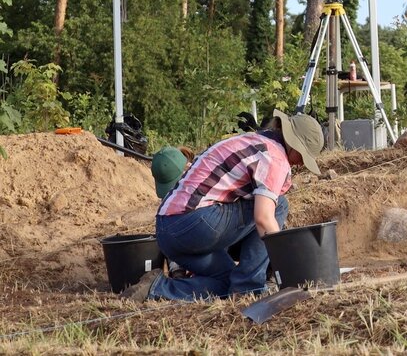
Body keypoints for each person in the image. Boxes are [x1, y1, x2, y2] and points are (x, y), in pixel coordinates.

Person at [123, 110, 324, 302]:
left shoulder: (252, 140)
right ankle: (249, 287)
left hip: (167, 232)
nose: (301, 164)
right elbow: (263, 218)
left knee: (227, 282)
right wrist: (289, 265)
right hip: (193, 222)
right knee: (279, 206)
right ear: (293, 144)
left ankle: (156, 289)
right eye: (302, 156)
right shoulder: (275, 157)